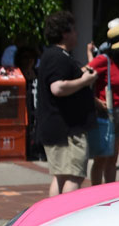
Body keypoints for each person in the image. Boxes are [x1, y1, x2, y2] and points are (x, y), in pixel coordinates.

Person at [35, 10, 98, 197]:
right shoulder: (57, 57)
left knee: (61, 176)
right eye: (74, 30)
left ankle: (54, 216)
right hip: (67, 129)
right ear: (65, 33)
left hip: (59, 127)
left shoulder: (55, 56)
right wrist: (85, 82)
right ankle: (64, 216)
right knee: (73, 177)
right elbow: (58, 87)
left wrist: (88, 66)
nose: (77, 33)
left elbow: (70, 77)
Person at [86, 19, 119, 184]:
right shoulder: (103, 60)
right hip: (106, 114)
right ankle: (95, 192)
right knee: (101, 159)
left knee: (113, 158)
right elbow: (81, 77)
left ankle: (109, 193)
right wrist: (94, 100)